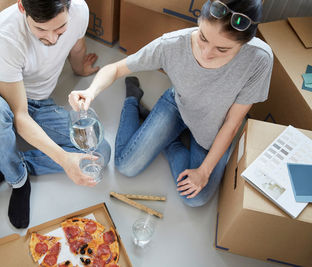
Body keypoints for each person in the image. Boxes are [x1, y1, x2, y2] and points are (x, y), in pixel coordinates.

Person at [69, 0, 272, 207]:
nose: (207, 53)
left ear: (245, 43)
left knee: (196, 199)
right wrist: (90, 91)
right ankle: (132, 99)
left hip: (215, 125)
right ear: (199, 20)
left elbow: (233, 123)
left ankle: (168, 140)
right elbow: (116, 69)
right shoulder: (172, 44)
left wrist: (203, 171)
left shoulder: (259, 59)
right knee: (125, 167)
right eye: (203, 37)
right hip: (178, 106)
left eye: (222, 49)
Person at [0, 0, 111, 229]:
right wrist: (64, 160)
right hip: (3, 99)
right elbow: (20, 116)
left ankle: (11, 162)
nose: (52, 38)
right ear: (22, 7)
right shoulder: (4, 34)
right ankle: (18, 180)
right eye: (40, 29)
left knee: (101, 152)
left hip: (40, 102)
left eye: (59, 28)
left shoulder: (80, 10)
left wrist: (79, 69)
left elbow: (76, 47)